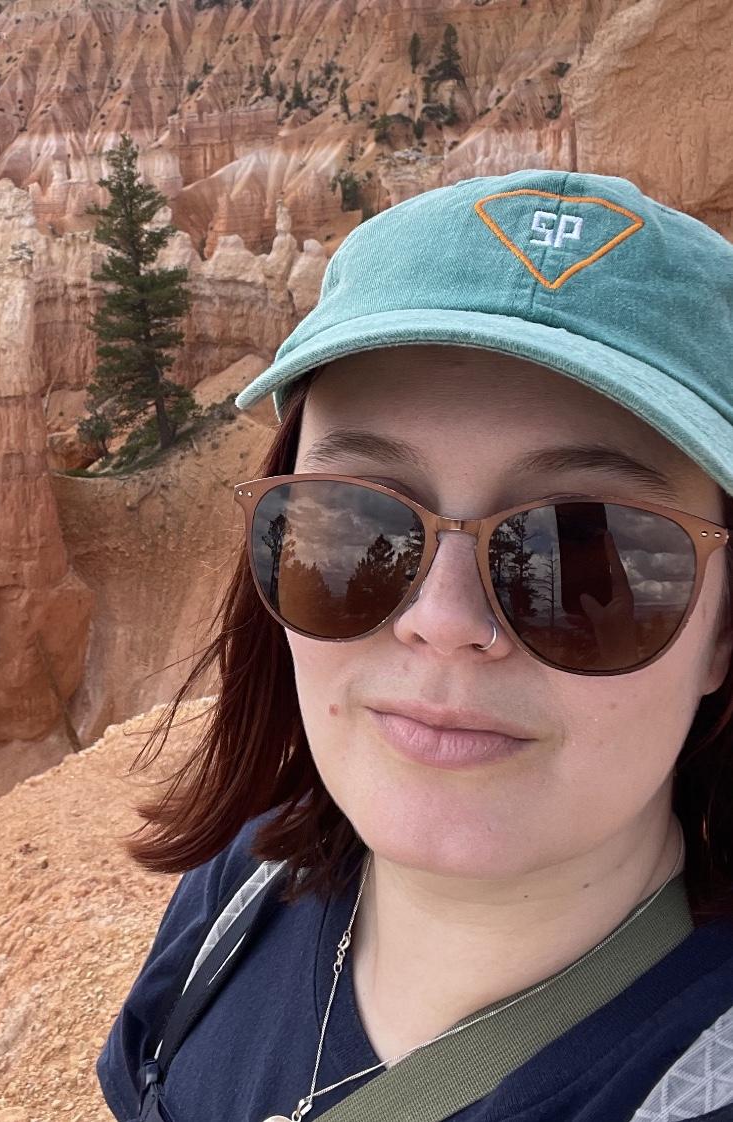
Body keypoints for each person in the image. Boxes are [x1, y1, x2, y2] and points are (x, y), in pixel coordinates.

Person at [95, 168, 733, 1122]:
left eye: (583, 553)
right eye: (355, 526)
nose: (442, 618)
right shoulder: (238, 893)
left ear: (724, 630)